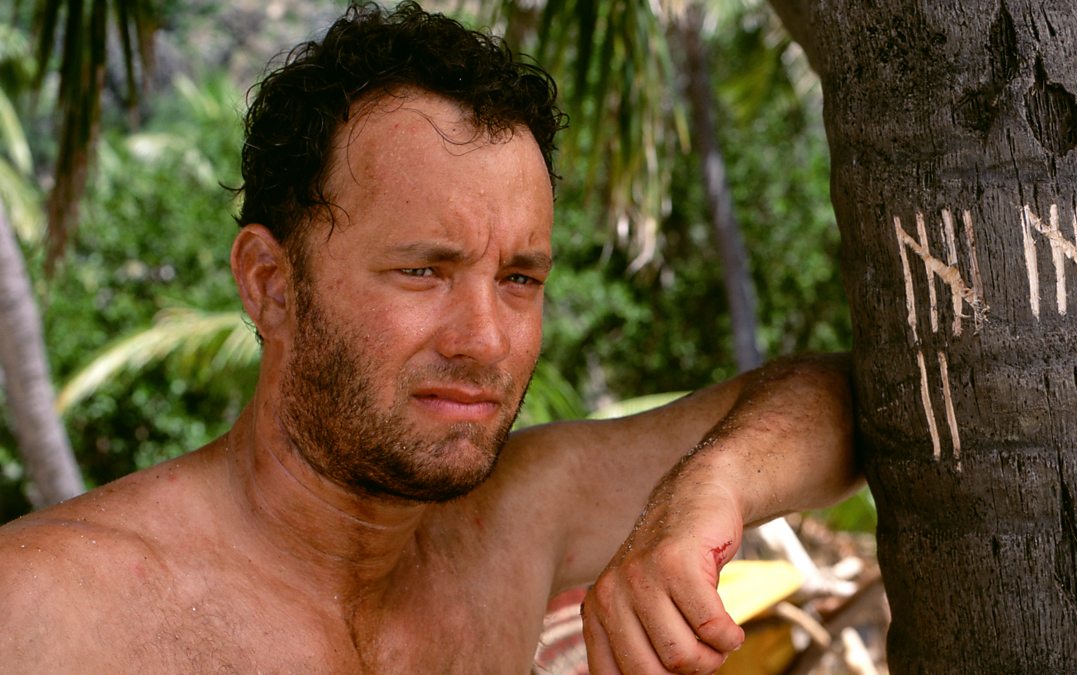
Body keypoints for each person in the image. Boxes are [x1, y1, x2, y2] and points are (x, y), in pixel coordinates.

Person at [0, 3, 859, 673]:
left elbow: (848, 398)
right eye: (424, 271)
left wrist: (709, 485)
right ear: (270, 283)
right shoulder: (44, 607)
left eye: (519, 277)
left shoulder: (516, 520)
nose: (485, 339)